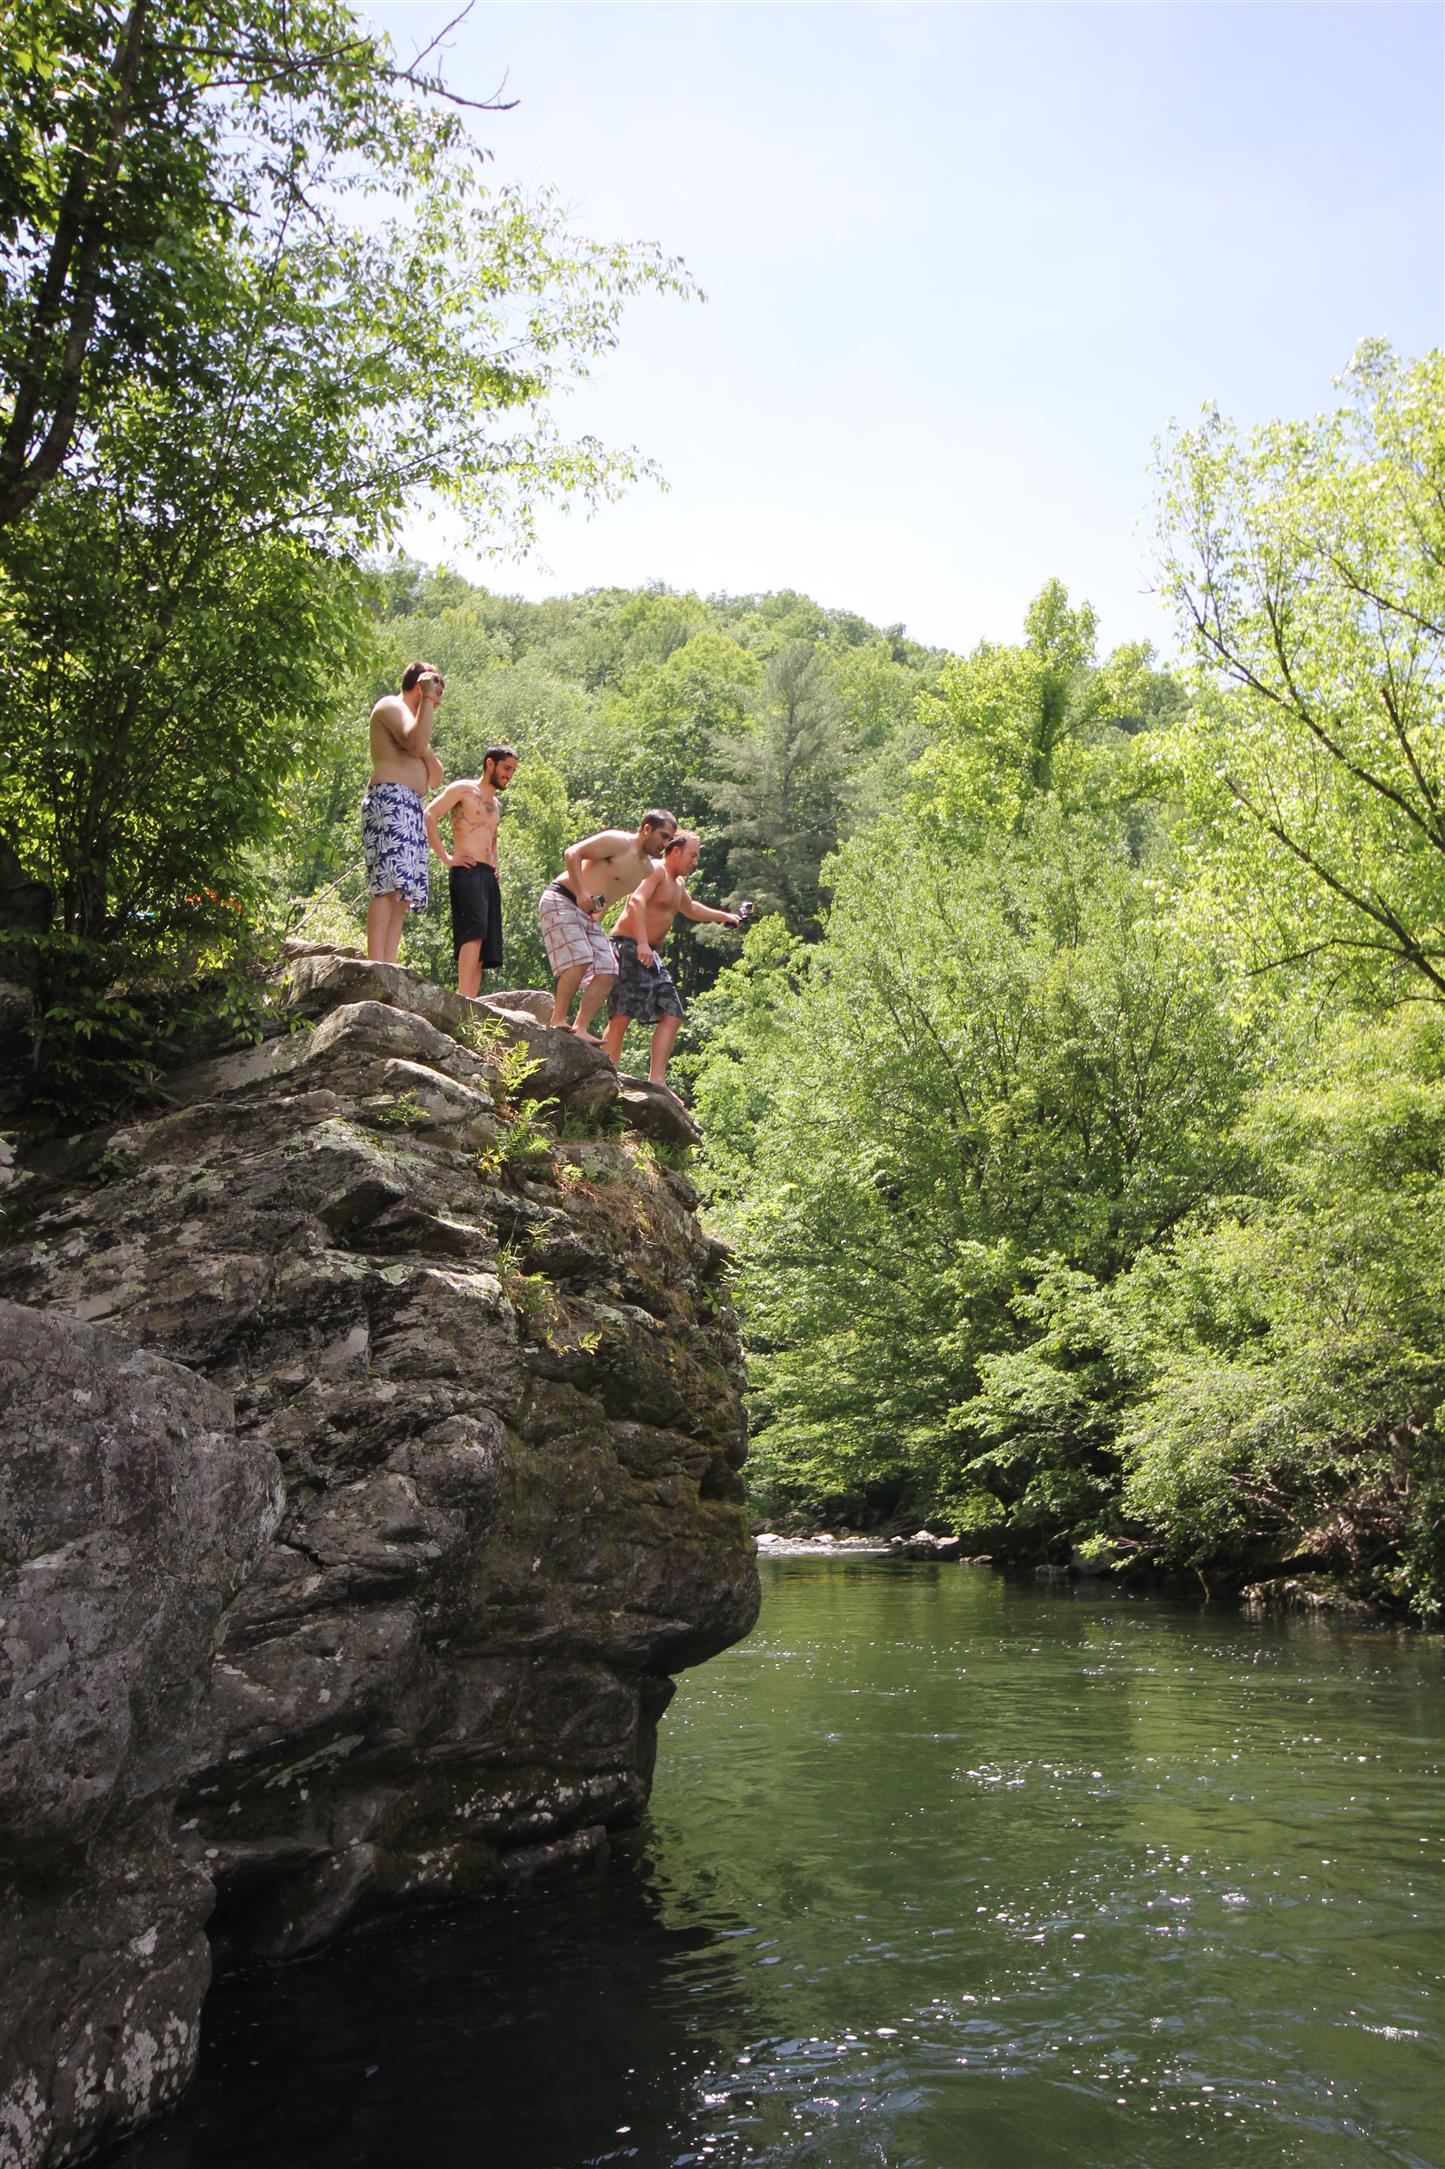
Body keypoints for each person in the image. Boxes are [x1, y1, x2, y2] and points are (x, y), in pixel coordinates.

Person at [603, 830, 743, 1087]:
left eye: (697, 857)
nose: (695, 862)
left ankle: (657, 1079)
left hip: (650, 954)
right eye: (692, 855)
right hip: (629, 946)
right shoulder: (656, 870)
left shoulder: (678, 885)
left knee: (672, 1013)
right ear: (675, 851)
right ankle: (604, 1073)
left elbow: (690, 908)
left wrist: (724, 916)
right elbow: (635, 901)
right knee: (622, 1014)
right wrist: (642, 942)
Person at [538, 810, 678, 1039]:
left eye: (669, 839)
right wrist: (581, 892)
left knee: (609, 969)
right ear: (646, 829)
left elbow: (610, 892)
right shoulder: (617, 842)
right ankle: (558, 1019)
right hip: (562, 897)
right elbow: (572, 853)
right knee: (581, 957)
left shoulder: (647, 870)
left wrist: (596, 918)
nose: (665, 844)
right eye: (663, 836)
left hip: (589, 914)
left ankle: (580, 1028)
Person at [362, 662, 445, 963]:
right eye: (436, 694)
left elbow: (436, 777)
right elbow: (415, 742)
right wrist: (426, 698)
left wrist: (423, 750)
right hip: (390, 798)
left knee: (401, 894)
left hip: (411, 805)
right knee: (387, 886)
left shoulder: (415, 723)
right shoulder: (391, 705)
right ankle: (376, 963)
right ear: (422, 685)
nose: (436, 703)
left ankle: (389, 964)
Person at [424, 745, 520, 997]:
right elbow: (429, 815)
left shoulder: (496, 804)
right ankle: (462, 997)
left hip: (488, 875)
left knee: (486, 944)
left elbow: (492, 839)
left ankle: (470, 1004)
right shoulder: (463, 789)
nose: (508, 775)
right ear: (490, 763)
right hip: (467, 870)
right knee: (473, 933)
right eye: (506, 768)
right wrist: (446, 857)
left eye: (512, 770)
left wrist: (495, 865)